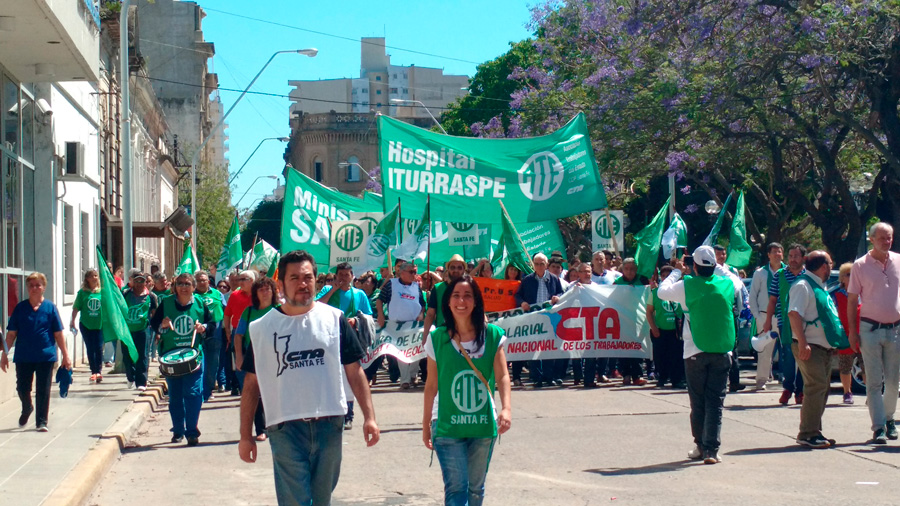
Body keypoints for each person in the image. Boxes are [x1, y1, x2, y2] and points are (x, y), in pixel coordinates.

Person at [238, 250, 379, 506]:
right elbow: (251, 384)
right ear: (281, 285)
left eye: (308, 278)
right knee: (295, 501)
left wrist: (369, 417)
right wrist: (245, 435)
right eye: (294, 278)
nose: (303, 284)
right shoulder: (262, 328)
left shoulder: (334, 319)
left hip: (329, 423)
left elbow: (354, 371)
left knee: (321, 500)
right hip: (285, 427)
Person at [423, 275, 511, 506]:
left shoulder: (492, 335)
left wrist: (506, 409)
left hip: (483, 425)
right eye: (456, 296)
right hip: (446, 425)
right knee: (456, 489)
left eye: (467, 296)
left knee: (475, 489)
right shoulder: (436, 338)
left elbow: (502, 376)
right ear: (448, 302)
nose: (461, 301)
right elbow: (431, 385)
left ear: (476, 301)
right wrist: (425, 424)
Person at [658, 247, 741, 464]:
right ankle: (711, 450)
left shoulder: (685, 285)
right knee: (715, 402)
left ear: (693, 266)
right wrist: (719, 267)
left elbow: (661, 292)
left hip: (694, 351)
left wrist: (677, 271)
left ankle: (700, 446)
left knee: (698, 402)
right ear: (714, 265)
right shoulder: (728, 284)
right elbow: (737, 280)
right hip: (722, 349)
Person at [847, 222, 900, 444]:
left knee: (894, 381)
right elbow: (852, 300)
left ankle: (889, 418)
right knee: (874, 381)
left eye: (889, 238)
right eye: (882, 238)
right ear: (871, 239)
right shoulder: (860, 265)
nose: (887, 242)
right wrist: (852, 332)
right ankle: (878, 427)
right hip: (869, 329)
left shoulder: (898, 260)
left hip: (895, 329)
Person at [1, 272, 71, 432]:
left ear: (43, 287)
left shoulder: (50, 308)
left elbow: (58, 334)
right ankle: (27, 407)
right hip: (23, 356)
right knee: (22, 388)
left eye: (38, 285)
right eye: (31, 285)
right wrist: (4, 354)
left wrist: (65, 355)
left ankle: (41, 422)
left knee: (43, 389)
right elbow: (11, 334)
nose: (34, 288)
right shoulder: (20, 308)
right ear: (27, 288)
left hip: (45, 355)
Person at [149, 272, 212, 446]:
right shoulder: (166, 303)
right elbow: (154, 324)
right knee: (175, 396)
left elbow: (212, 325)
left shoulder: (200, 303)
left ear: (193, 287)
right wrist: (162, 325)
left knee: (193, 393)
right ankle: (178, 430)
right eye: (180, 284)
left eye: (187, 284)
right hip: (171, 357)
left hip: (193, 357)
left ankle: (191, 431)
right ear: (175, 287)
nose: (183, 287)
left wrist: (203, 328)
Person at [788, 251, 840, 448]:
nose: (831, 268)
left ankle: (814, 431)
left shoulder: (818, 285)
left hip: (822, 347)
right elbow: (794, 314)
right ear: (824, 266)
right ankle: (807, 433)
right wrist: (803, 343)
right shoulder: (803, 285)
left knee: (822, 389)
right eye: (830, 264)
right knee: (815, 387)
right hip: (809, 346)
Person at [316, 262, 373, 430]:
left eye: (347, 274)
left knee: (350, 377)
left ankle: (348, 414)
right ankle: (332, 413)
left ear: (352, 276)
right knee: (331, 375)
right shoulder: (327, 290)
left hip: (350, 338)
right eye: (340, 274)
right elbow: (317, 307)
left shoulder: (359, 294)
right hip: (329, 338)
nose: (343, 278)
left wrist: (355, 320)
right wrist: (332, 290)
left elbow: (369, 316)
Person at [234, 276, 280, 443]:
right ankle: (261, 429)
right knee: (256, 394)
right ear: (256, 293)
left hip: (276, 356)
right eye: (261, 289)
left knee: (275, 393)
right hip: (254, 355)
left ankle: (276, 426)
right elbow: (238, 335)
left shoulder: (280, 310)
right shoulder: (249, 312)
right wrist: (239, 356)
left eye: (268, 289)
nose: (265, 292)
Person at [763, 243, 808, 405]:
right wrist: (768, 320)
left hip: (805, 322)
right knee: (788, 356)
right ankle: (788, 388)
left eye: (796, 256)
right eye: (790, 256)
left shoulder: (808, 275)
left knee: (804, 356)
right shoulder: (779, 275)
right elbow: (772, 300)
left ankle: (800, 390)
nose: (792, 259)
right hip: (785, 322)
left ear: (803, 258)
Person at [515, 253, 564, 388]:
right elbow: (518, 295)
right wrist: (522, 303)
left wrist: (557, 297)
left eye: (542, 264)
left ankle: (548, 377)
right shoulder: (527, 280)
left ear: (546, 265)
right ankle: (537, 378)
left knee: (548, 347)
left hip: (549, 318)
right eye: (536, 264)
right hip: (533, 318)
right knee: (534, 347)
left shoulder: (554, 279)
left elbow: (561, 292)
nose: (539, 266)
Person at [377, 260, 426, 389]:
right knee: (401, 352)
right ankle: (404, 380)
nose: (414, 274)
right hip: (397, 325)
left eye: (415, 272)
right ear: (402, 272)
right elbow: (380, 300)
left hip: (414, 324)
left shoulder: (416, 287)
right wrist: (381, 315)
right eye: (411, 272)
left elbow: (422, 304)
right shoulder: (391, 284)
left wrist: (421, 314)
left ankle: (413, 375)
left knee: (415, 350)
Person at [749, 243, 785, 390]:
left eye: (779, 252)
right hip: (765, 316)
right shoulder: (760, 273)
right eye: (774, 252)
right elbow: (752, 296)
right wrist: (757, 317)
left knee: (789, 349)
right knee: (765, 350)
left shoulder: (788, 271)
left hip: (785, 316)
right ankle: (762, 379)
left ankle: (789, 380)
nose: (777, 254)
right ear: (768, 255)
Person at [647, 265, 685, 389]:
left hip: (676, 331)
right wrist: (654, 328)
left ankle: (676, 380)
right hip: (660, 331)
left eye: (669, 275)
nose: (666, 278)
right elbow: (649, 312)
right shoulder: (655, 293)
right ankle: (662, 378)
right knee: (660, 356)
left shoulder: (680, 292)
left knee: (676, 356)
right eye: (663, 276)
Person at [613, 258, 649, 386]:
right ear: (622, 269)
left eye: (632, 269)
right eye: (626, 269)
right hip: (622, 320)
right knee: (623, 348)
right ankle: (626, 375)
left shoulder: (643, 280)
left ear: (636, 270)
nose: (629, 271)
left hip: (638, 319)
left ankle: (637, 376)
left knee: (637, 347)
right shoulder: (617, 282)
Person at [122, 269, 158, 391]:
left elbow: (154, 314)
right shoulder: (125, 294)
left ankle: (141, 381)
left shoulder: (151, 297)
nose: (139, 284)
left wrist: (157, 331)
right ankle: (130, 376)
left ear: (145, 283)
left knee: (143, 355)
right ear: (132, 282)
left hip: (143, 330)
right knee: (127, 356)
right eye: (136, 281)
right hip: (127, 331)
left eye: (142, 281)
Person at [832, 262, 861, 405]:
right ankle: (847, 392)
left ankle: (871, 395)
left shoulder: (864, 294)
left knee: (867, 366)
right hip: (845, 336)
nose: (853, 277)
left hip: (863, 336)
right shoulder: (836, 296)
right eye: (849, 275)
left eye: (855, 274)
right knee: (845, 366)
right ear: (842, 278)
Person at [195, 270, 226, 401]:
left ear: (208, 281)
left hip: (215, 333)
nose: (201, 282)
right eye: (198, 280)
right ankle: (198, 391)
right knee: (199, 364)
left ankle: (208, 391)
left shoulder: (218, 294)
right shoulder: (192, 295)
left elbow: (226, 310)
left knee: (212, 364)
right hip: (197, 334)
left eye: (204, 280)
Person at [224, 270, 256, 395]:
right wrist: (228, 331)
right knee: (239, 365)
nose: (240, 282)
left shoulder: (259, 294)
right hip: (238, 334)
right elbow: (227, 314)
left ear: (252, 281)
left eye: (243, 279)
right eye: (239, 279)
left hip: (256, 333)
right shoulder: (234, 295)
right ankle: (245, 392)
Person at [424, 255, 468, 340]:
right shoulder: (438, 288)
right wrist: (425, 336)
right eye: (453, 267)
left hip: (465, 335)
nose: (456, 270)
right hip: (443, 335)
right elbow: (430, 314)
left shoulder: (470, 288)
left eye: (459, 268)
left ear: (464, 270)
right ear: (448, 270)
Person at [71, 269, 104, 383]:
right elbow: (76, 308)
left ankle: (99, 371)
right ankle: (93, 371)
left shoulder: (102, 292)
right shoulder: (82, 293)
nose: (94, 278)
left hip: (100, 324)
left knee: (99, 348)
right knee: (90, 348)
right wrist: (72, 321)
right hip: (86, 324)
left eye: (96, 276)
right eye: (91, 276)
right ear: (87, 279)